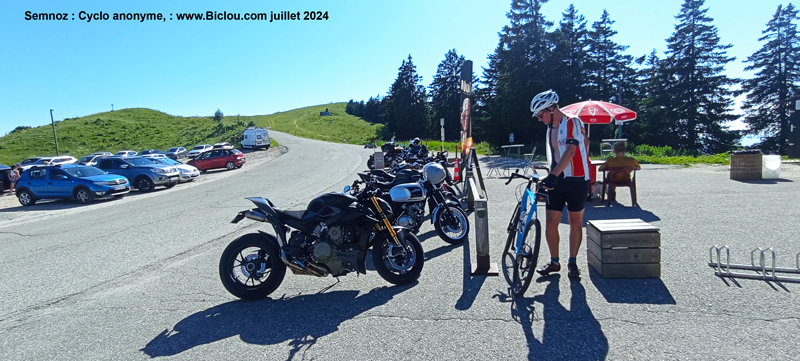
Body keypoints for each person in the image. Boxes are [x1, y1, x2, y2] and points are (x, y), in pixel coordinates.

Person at [530, 89, 591, 278]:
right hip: (557, 179)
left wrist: (552, 175)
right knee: (551, 222)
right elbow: (558, 153)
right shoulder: (549, 128)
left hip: (577, 180)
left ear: (551, 109)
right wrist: (550, 173)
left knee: (575, 221)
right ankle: (554, 262)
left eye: (540, 115)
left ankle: (572, 262)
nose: (539, 119)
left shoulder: (572, 121)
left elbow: (571, 151)